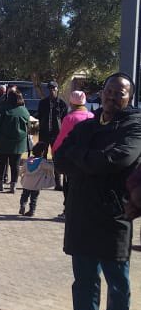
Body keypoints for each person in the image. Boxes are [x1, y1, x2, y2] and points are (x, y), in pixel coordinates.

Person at [52, 72, 141, 310]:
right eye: (109, 91)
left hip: (113, 218)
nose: (113, 97)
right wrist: (88, 158)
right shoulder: (87, 125)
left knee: (118, 288)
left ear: (130, 97)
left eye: (121, 93)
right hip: (81, 215)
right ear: (100, 93)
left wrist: (82, 158)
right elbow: (60, 158)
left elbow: (117, 159)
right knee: (84, 282)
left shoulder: (134, 126)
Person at [51, 90, 94, 221]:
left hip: (71, 157)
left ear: (72, 102)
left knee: (69, 185)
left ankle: (68, 210)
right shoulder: (91, 116)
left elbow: (62, 137)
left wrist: (54, 150)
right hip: (87, 157)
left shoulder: (69, 118)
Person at [0, 89, 30, 194]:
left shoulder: (3, 109)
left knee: (1, 163)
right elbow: (29, 126)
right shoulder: (24, 111)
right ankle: (13, 186)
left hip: (3, 142)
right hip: (18, 143)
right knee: (15, 164)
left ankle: (0, 184)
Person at [37, 81, 68, 191]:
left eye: (53, 89)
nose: (51, 91)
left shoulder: (62, 104)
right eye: (49, 89)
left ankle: (57, 183)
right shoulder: (43, 103)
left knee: (57, 158)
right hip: (44, 133)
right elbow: (40, 116)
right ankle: (41, 181)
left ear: (57, 89)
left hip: (57, 134)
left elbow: (65, 119)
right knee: (42, 158)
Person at [18, 140, 51, 217]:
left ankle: (22, 205)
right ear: (43, 152)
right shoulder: (42, 162)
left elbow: (22, 170)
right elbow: (50, 168)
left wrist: (20, 174)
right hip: (36, 185)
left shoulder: (28, 160)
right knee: (34, 198)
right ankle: (31, 211)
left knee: (24, 196)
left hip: (26, 183)